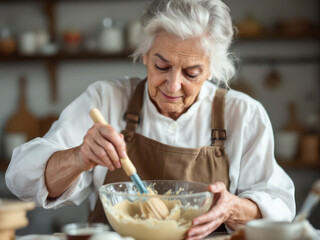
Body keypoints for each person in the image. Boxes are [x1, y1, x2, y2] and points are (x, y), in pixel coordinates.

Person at [6, 0, 295, 239]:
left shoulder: (243, 114)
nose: (172, 86)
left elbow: (280, 207)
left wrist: (233, 208)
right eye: (162, 66)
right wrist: (79, 158)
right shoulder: (105, 99)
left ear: (211, 70)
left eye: (191, 73)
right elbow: (20, 180)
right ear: (144, 55)